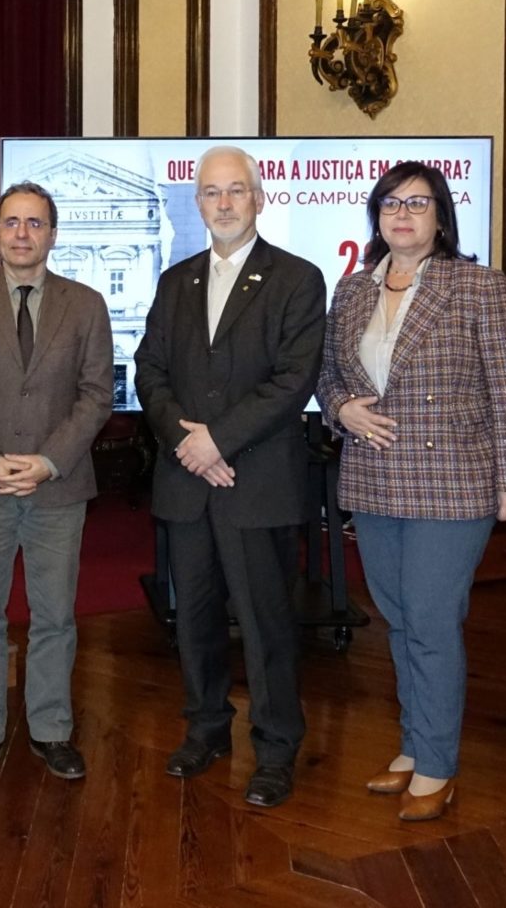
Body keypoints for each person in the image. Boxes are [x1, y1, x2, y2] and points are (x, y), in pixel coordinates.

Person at [317, 160, 506, 822]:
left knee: (434, 624)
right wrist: (341, 410)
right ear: (376, 217)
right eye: (390, 204)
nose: (402, 214)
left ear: (441, 214)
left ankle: (438, 766)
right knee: (402, 621)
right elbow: (329, 377)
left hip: (451, 484)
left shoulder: (477, 287)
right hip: (375, 480)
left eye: (417, 203)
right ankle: (414, 749)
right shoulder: (352, 291)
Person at [133, 145, 325, 809]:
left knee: (266, 624)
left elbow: (291, 380)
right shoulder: (175, 281)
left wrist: (217, 440)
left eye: (234, 190)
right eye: (210, 192)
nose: (222, 203)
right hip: (187, 484)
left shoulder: (297, 280)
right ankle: (207, 729)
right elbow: (149, 370)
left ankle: (274, 748)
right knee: (195, 621)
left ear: (259, 196)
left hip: (257, 484)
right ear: (197, 203)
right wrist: (187, 443)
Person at [0, 182, 113, 784]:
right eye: (11, 223)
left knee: (55, 615)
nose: (22, 234)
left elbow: (97, 395)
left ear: (53, 233)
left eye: (35, 223)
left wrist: (48, 461)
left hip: (58, 487)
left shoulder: (86, 303)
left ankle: (51, 729)